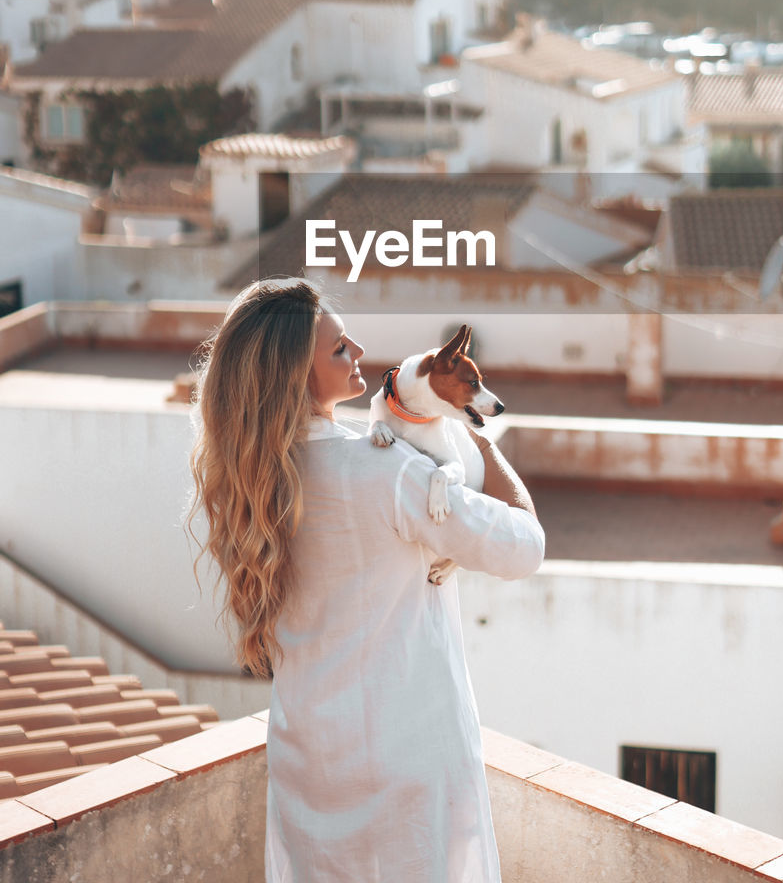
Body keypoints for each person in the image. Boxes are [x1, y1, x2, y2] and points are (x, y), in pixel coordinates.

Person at [188, 277, 545, 882]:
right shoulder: (389, 473)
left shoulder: (257, 485)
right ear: (296, 375)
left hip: (309, 759)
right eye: (337, 348)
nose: (358, 352)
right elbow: (524, 547)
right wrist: (475, 440)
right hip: (409, 759)